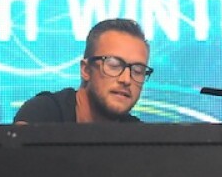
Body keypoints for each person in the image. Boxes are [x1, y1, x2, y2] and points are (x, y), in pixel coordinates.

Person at [14, 18, 152, 123]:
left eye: (137, 71)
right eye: (114, 65)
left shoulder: (142, 138)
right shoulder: (42, 113)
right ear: (86, 70)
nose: (126, 79)